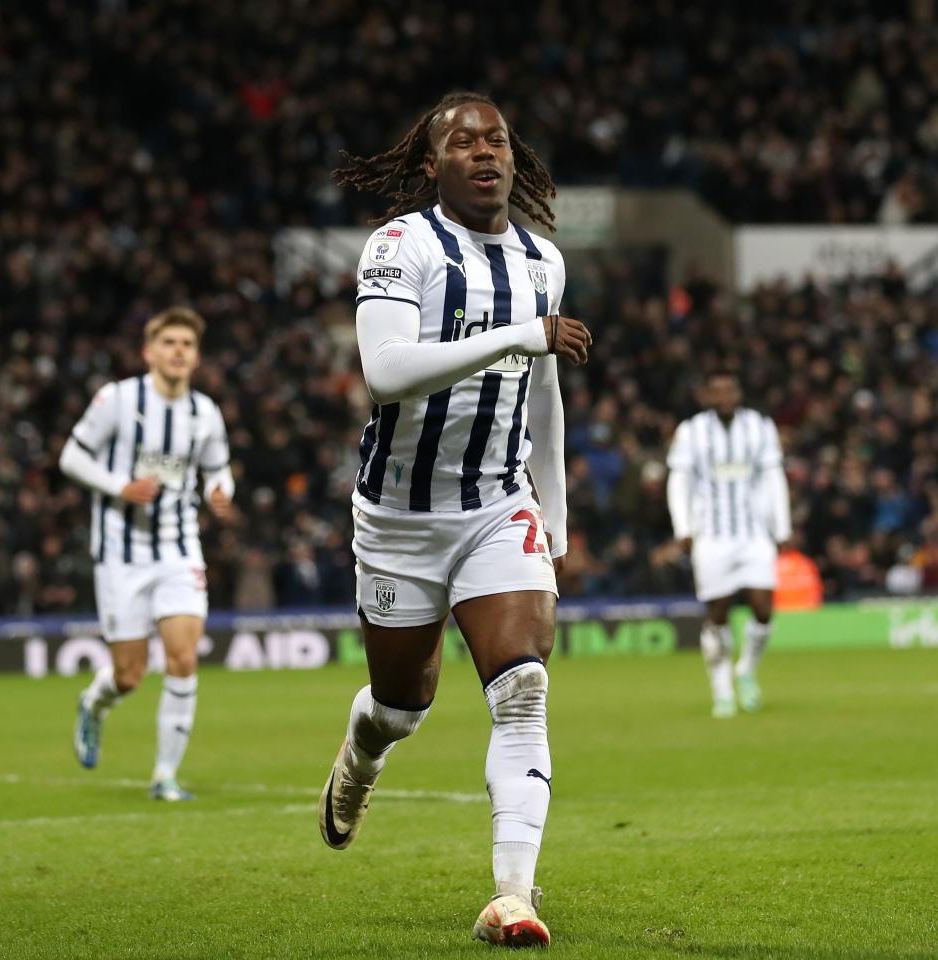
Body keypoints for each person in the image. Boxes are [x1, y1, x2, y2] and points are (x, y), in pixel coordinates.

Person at [317, 92, 591, 947]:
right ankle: (361, 759)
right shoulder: (400, 245)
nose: (485, 153)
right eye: (463, 142)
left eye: (498, 140)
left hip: (496, 503)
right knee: (403, 704)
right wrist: (519, 334)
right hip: (399, 515)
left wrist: (557, 512)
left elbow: (541, 391)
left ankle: (514, 896)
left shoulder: (543, 259)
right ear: (431, 164)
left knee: (523, 687)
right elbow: (387, 371)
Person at [59, 307, 234, 800]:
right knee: (129, 675)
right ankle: (95, 702)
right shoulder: (117, 399)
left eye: (187, 344)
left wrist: (222, 492)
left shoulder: (204, 412)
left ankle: (164, 776)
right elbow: (71, 456)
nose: (179, 351)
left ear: (196, 357)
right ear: (149, 352)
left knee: (182, 658)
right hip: (121, 553)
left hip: (179, 550)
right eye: (170, 342)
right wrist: (120, 486)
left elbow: (220, 468)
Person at [666, 370, 791, 718]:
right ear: (707, 396)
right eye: (716, 391)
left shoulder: (760, 427)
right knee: (717, 614)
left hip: (753, 534)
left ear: (738, 394)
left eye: (729, 391)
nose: (723, 397)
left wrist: (781, 528)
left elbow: (773, 477)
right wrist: (683, 528)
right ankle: (721, 688)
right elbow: (679, 481)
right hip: (712, 535)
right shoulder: (691, 431)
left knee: (763, 609)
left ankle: (746, 669)